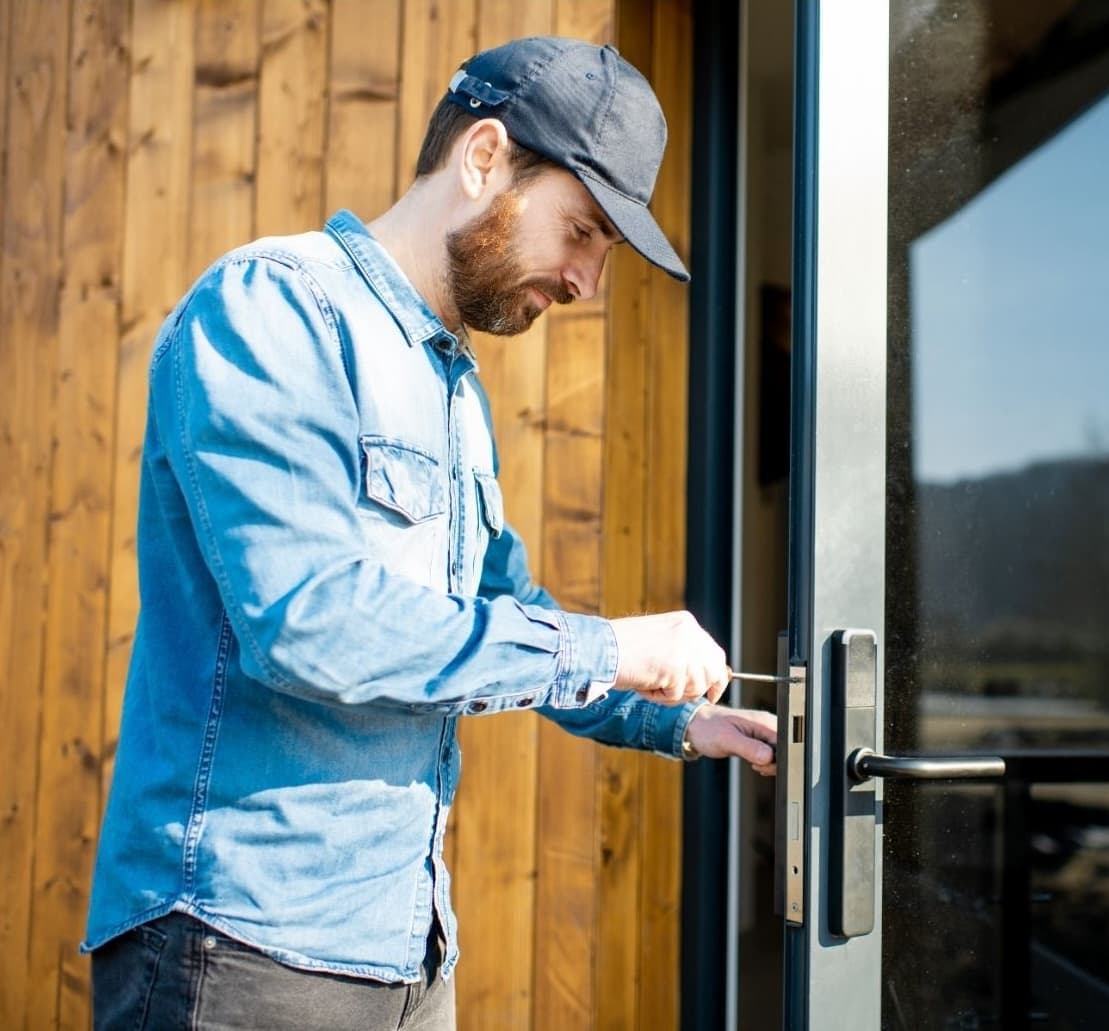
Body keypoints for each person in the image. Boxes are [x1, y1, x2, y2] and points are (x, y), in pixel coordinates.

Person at [83, 35, 777, 1031]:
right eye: (581, 231)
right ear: (484, 157)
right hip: (239, 949)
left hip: (407, 946)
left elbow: (504, 620)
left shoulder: (451, 387)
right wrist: (613, 647)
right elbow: (310, 621)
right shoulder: (275, 307)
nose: (587, 281)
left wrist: (669, 715)